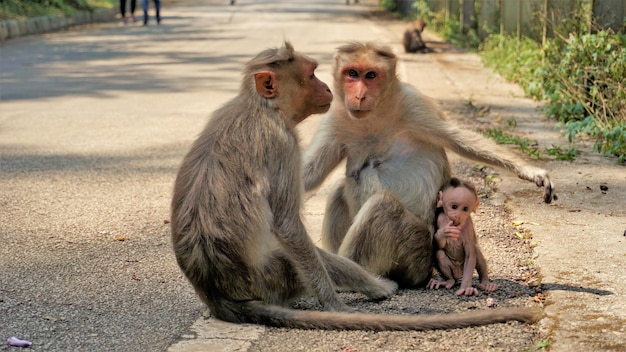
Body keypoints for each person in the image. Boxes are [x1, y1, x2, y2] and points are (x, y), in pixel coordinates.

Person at [427, 177, 499, 296]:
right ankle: (449, 279)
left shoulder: (467, 226)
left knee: (475, 250)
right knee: (439, 254)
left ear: (475, 206)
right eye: (454, 207)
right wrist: (442, 234)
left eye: (465, 209)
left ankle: (484, 280)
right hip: (448, 262)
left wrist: (466, 285)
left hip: (464, 260)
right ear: (441, 199)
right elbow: (438, 246)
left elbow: (470, 256)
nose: (458, 215)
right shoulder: (441, 219)